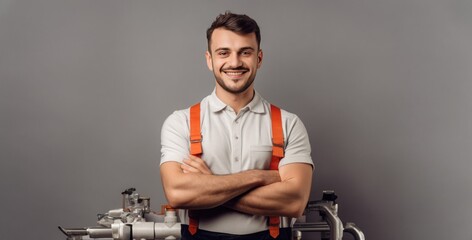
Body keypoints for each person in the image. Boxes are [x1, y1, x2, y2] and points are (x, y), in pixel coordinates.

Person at [160, 11, 313, 240]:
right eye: (224, 53)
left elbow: (294, 202)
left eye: (245, 52)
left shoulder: (288, 124)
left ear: (258, 59)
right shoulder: (179, 122)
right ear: (209, 59)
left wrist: (209, 185)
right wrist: (260, 177)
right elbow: (178, 194)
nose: (234, 62)